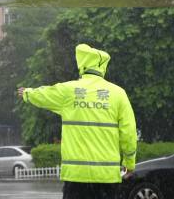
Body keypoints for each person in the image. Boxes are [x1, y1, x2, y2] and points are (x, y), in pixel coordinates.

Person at [18, 44, 137, 199]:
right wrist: (129, 163)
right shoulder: (118, 94)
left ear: (83, 65)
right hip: (107, 177)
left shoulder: (69, 91)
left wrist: (27, 93)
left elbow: (45, 94)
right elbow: (128, 132)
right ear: (103, 67)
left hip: (76, 177)